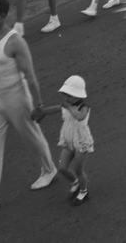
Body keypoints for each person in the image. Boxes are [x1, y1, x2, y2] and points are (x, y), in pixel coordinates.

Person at [0, 0, 58, 215]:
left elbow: (30, 75)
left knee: (32, 137)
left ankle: (49, 169)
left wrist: (38, 105)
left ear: (2, 15)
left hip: (18, 98)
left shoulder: (15, 41)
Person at [35, 74, 93, 205]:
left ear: (80, 95)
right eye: (66, 94)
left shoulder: (84, 106)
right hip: (68, 140)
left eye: (71, 95)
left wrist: (69, 107)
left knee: (79, 170)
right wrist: (42, 112)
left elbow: (80, 117)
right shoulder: (66, 104)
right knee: (62, 168)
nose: (67, 98)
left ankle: (84, 192)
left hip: (81, 142)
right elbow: (55, 109)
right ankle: (75, 183)